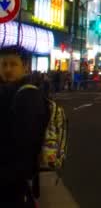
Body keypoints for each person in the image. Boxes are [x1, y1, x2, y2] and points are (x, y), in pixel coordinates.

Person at [0, 46, 49, 207]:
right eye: (3, 64)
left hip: (14, 181)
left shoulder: (29, 96)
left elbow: (26, 142)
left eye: (13, 64)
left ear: (25, 67)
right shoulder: (7, 91)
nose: (7, 69)